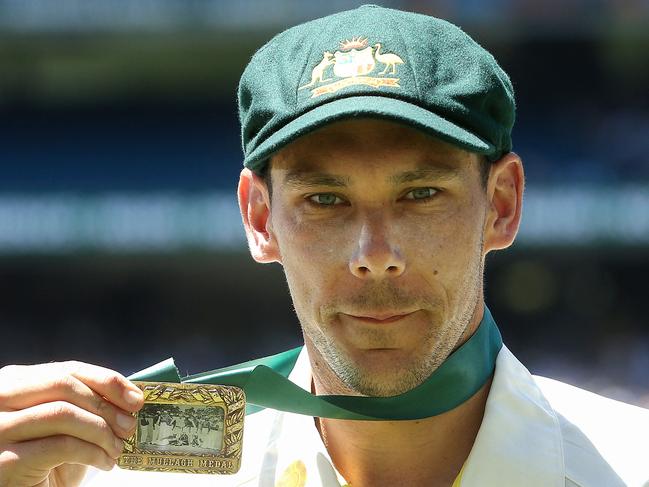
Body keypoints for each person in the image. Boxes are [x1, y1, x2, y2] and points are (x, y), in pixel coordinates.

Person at [1, 5, 648, 487]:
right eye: (325, 200)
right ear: (260, 218)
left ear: (501, 205)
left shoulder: (631, 462)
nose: (374, 251)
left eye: (420, 193)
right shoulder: (108, 479)